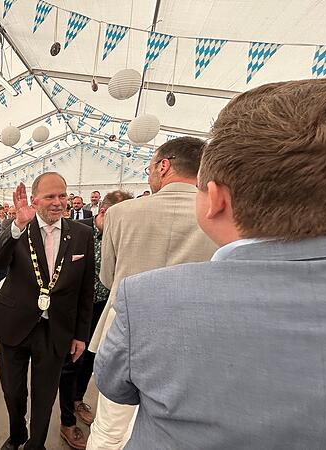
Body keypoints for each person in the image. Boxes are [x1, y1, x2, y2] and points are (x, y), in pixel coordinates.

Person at [96, 79, 326, 448]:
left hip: (136, 352)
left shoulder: (135, 265)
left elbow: (108, 282)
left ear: (216, 199)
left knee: (109, 431)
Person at [86, 137, 217, 450]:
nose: (149, 176)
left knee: (109, 427)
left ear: (164, 166)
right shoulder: (218, 213)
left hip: (125, 332)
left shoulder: (120, 214)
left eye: (149, 169)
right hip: (190, 338)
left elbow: (107, 277)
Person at [0, 173, 94, 450]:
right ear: (35, 200)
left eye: (62, 195)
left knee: (45, 396)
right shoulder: (18, 226)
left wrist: (81, 335)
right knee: (13, 392)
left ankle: (36, 444)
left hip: (55, 329)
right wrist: (18, 224)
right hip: (14, 325)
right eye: (50, 196)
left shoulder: (81, 233)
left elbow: (85, 289)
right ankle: (17, 434)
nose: (58, 202)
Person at [57, 190, 132, 448]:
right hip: (74, 310)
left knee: (90, 357)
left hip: (102, 306)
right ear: (103, 213)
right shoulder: (78, 231)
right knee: (70, 362)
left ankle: (77, 399)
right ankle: (66, 421)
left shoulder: (122, 234)